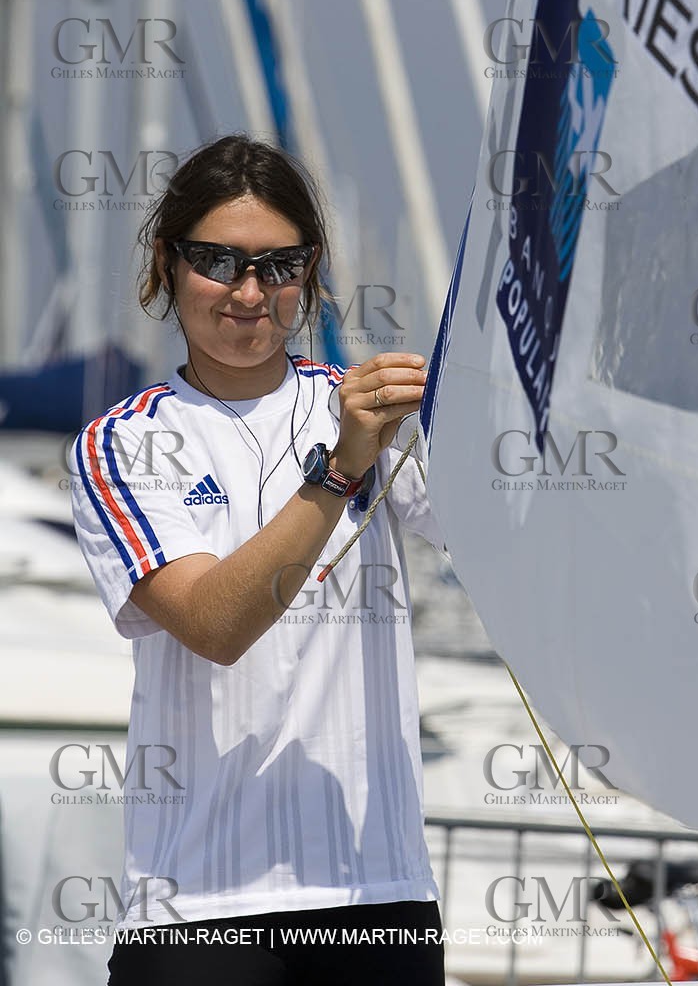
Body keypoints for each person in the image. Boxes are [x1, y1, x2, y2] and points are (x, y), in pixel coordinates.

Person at [70, 134, 447, 984]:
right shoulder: (123, 444)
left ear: (308, 275)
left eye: (278, 266)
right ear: (167, 266)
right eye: (218, 262)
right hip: (199, 912)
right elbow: (215, 625)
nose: (249, 293)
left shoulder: (370, 410)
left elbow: (512, 541)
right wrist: (342, 469)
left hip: (378, 895)